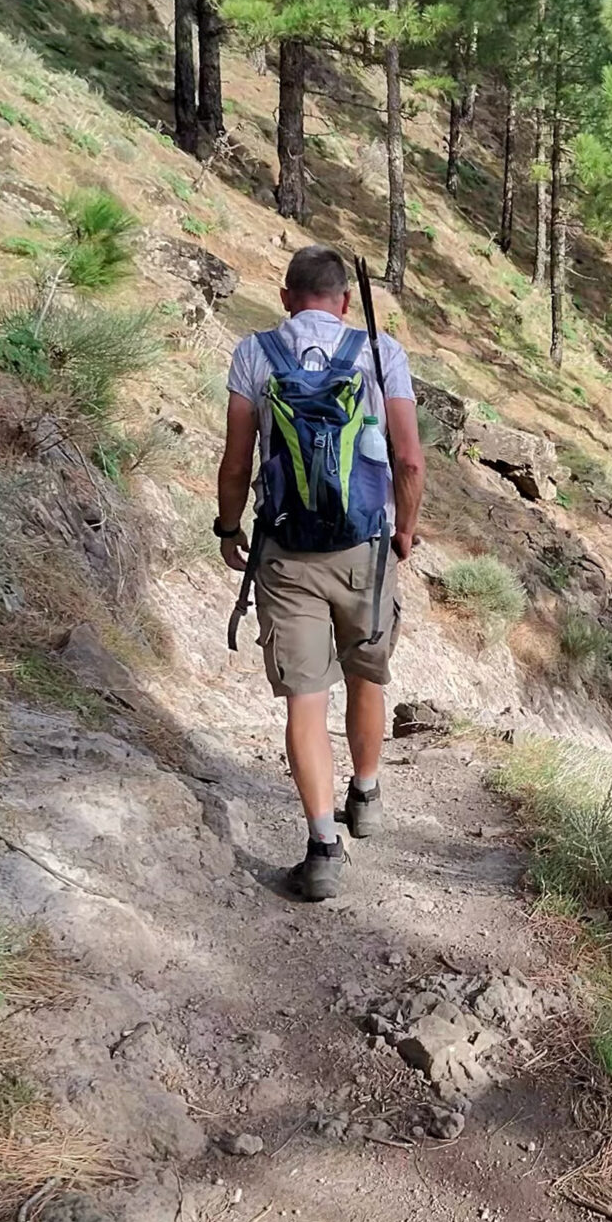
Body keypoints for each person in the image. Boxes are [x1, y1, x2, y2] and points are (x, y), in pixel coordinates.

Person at [216, 244, 424, 901]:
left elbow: (237, 460)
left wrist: (228, 528)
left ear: (286, 298)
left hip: (287, 553)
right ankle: (365, 793)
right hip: (365, 548)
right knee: (366, 673)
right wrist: (404, 530)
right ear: (344, 301)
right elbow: (409, 460)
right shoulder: (381, 353)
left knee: (305, 700)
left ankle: (322, 849)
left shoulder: (254, 354)